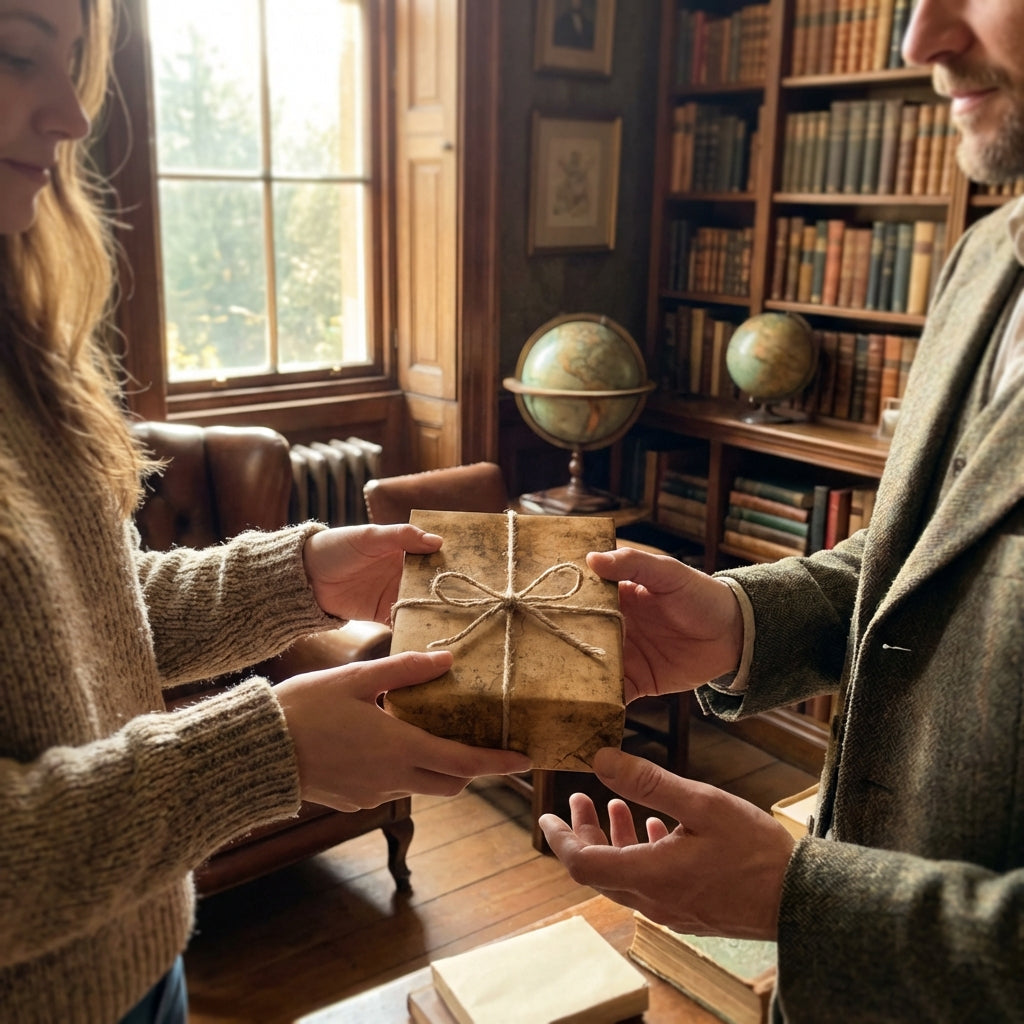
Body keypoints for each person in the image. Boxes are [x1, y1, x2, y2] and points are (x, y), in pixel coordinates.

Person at [0, 2, 531, 1021]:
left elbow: (87, 611)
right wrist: (267, 751)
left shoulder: (20, 339)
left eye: (72, 62)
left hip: (142, 963)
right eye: (20, 55)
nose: (72, 114)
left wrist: (304, 576)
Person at [539, 1, 1024, 1020]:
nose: (919, 41)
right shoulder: (985, 259)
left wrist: (800, 898)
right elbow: (924, 562)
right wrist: (737, 620)